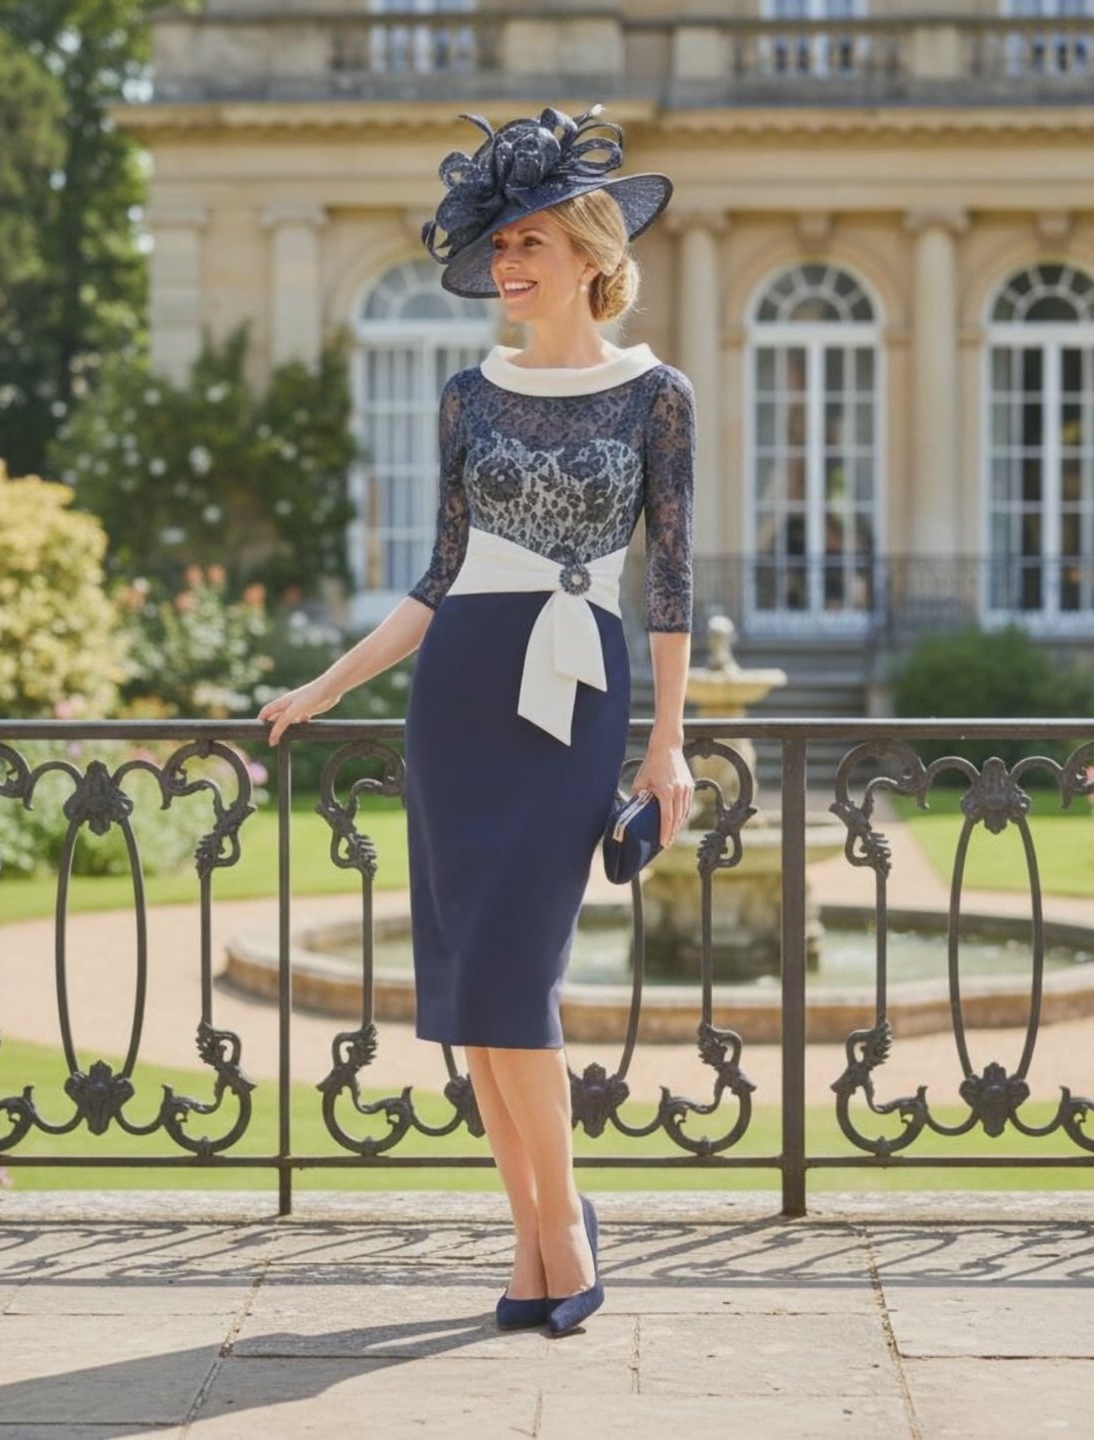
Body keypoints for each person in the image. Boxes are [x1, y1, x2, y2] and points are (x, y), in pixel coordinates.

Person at [259, 104, 696, 1337]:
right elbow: (438, 576)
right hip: (458, 698)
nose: (506, 272)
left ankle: (563, 1231)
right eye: (497, 252)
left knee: (520, 974)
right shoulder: (468, 394)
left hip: (576, 695)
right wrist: (328, 685)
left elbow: (669, 581)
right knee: (469, 988)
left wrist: (666, 742)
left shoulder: (656, 394)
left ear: (588, 255)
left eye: (528, 249)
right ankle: (536, 1235)